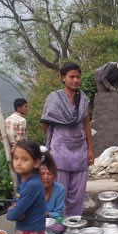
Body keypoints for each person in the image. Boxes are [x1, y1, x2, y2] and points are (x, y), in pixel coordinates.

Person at [40, 62, 93, 217]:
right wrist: (57, 140)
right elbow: (45, 123)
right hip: (60, 152)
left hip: (80, 151)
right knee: (59, 192)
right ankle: (58, 227)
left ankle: (74, 225)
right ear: (63, 78)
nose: (75, 80)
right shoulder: (54, 98)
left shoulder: (83, 99)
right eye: (71, 77)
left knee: (77, 194)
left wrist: (90, 149)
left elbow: (86, 124)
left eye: (78, 77)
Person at [40, 151, 65, 219]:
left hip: (52, 223)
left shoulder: (60, 189)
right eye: (42, 174)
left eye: (49, 173)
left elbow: (59, 214)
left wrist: (47, 214)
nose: (46, 177)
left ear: (54, 176)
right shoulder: (32, 189)